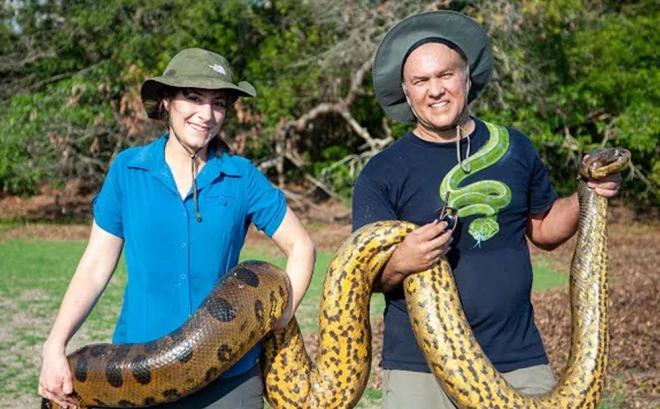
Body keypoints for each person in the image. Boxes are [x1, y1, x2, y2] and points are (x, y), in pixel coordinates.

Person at [352, 11, 622, 409]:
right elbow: (367, 277)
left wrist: (588, 192)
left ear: (467, 77)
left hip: (516, 360)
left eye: (445, 75)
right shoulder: (382, 171)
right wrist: (402, 262)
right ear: (407, 94)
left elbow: (544, 229)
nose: (435, 90)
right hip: (419, 371)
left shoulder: (514, 147)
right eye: (421, 81)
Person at [38, 48, 316, 409]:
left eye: (219, 103)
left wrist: (281, 316)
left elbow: (301, 247)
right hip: (140, 374)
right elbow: (94, 267)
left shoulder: (241, 176)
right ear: (166, 100)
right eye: (194, 98)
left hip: (229, 377)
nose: (206, 114)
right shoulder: (128, 170)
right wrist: (54, 345)